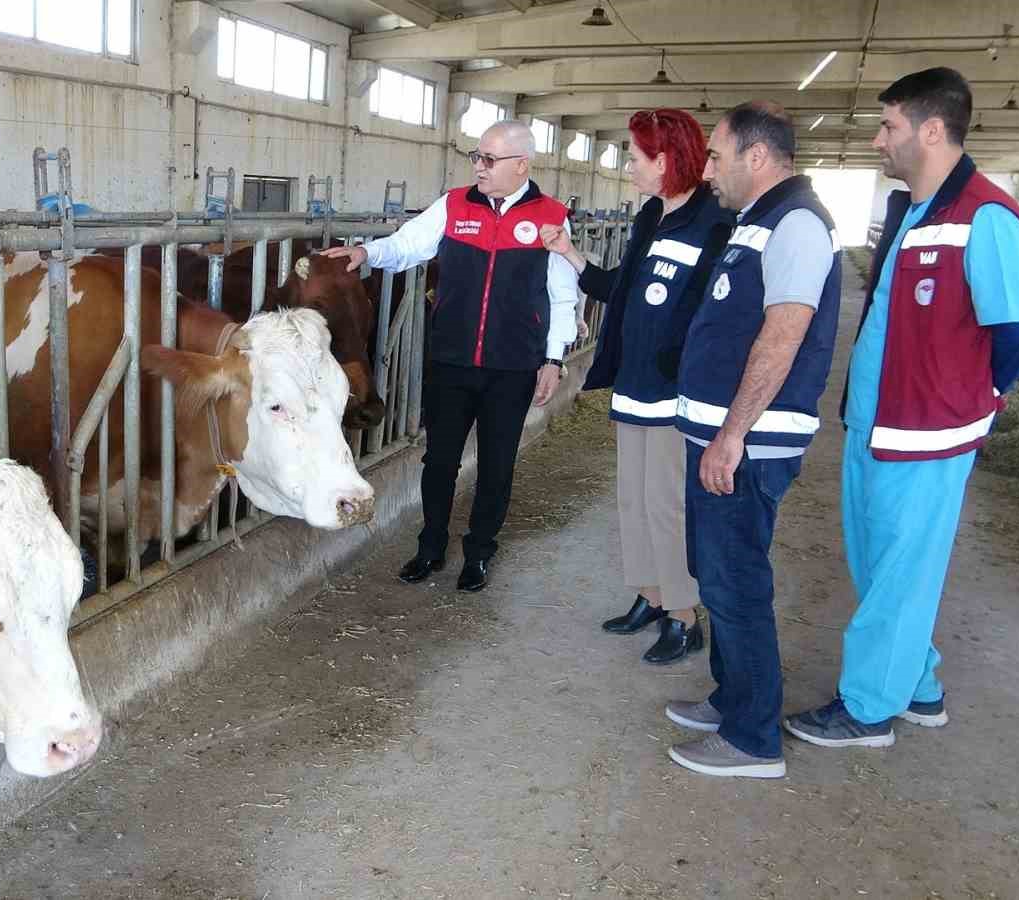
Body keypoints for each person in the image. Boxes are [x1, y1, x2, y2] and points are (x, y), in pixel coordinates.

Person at [784, 68, 1019, 748]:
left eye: (889, 126)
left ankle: (869, 709)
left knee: (901, 571)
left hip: (930, 430)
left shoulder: (986, 215)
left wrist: (983, 396)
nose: (878, 140)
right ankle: (919, 685)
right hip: (876, 420)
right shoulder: (912, 211)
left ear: (932, 130)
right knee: (881, 564)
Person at [662, 101, 843, 779]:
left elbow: (784, 332)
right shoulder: (758, 221)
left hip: (748, 441)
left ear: (757, 157)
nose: (708, 169)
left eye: (716, 155)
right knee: (715, 571)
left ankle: (752, 738)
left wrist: (732, 433)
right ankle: (732, 696)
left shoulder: (796, 223)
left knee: (736, 582)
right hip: (719, 433)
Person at [325, 120, 579, 592]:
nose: (478, 167)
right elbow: (408, 245)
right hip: (451, 359)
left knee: (497, 464)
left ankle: (479, 551)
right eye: (476, 157)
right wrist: (366, 252)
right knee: (439, 461)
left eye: (489, 159)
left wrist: (553, 358)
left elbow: (562, 295)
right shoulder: (455, 204)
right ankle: (431, 546)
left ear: (521, 165)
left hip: (513, 365)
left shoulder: (550, 217)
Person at [543, 108, 734, 664]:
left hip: (677, 392)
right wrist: (571, 255)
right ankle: (650, 596)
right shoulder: (651, 214)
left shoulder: (716, 221)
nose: (629, 167)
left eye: (635, 157)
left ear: (666, 160)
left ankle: (683, 615)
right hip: (634, 384)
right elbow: (624, 290)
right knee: (632, 500)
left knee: (665, 505)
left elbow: (715, 315)